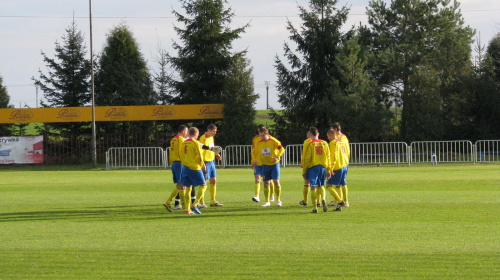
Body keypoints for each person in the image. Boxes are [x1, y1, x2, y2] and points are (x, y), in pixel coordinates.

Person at [252, 127, 285, 207]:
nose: (262, 137)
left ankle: (278, 200)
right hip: (265, 165)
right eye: (260, 136)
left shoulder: (274, 141)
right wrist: (254, 160)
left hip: (274, 165)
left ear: (267, 134)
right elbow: (254, 153)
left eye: (263, 136)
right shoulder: (258, 143)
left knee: (276, 182)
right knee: (266, 182)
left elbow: (282, 149)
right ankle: (267, 201)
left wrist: (277, 157)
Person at [302, 127, 331, 213]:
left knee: (313, 187)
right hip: (322, 167)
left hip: (313, 168)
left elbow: (307, 159)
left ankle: (315, 208)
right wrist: (329, 170)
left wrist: (304, 171)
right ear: (318, 134)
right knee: (321, 185)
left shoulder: (310, 144)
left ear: (311, 135)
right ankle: (323, 199)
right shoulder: (325, 143)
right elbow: (328, 157)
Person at [180, 127, 207, 215]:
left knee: (188, 188)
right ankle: (194, 204)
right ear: (196, 134)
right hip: (194, 167)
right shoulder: (195, 143)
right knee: (203, 185)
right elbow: (199, 155)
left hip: (185, 168)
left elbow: (181, 155)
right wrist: (202, 164)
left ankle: (188, 210)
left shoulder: (184, 143)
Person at [163, 125, 188, 212]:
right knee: (182, 185)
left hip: (174, 163)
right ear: (184, 131)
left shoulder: (173, 138)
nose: (187, 133)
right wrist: (184, 161)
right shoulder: (181, 139)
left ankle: (168, 202)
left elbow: (172, 151)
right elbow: (181, 151)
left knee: (179, 185)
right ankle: (184, 207)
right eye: (186, 131)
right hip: (179, 163)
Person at [198, 123, 223, 207]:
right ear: (208, 130)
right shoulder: (203, 138)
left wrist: (216, 154)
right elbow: (200, 149)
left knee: (213, 180)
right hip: (205, 162)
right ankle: (201, 202)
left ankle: (213, 201)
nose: (214, 133)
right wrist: (202, 163)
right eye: (213, 131)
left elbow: (212, 148)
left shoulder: (211, 137)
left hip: (211, 161)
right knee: (204, 182)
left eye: (215, 131)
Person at [250, 124, 276, 203]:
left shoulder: (270, 139)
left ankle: (271, 195)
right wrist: (253, 161)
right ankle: (256, 196)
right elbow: (254, 151)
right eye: (259, 131)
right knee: (257, 177)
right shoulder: (255, 139)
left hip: (267, 162)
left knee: (269, 180)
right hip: (258, 162)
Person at [328, 122, 351, 208]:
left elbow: (337, 153)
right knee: (341, 182)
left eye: (332, 129)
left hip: (340, 162)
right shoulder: (343, 138)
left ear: (336, 130)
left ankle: (342, 200)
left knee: (339, 183)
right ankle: (340, 200)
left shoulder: (338, 139)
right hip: (344, 161)